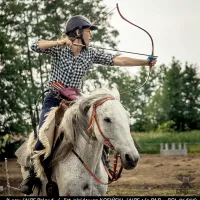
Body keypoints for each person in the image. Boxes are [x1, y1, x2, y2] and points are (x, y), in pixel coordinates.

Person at [20, 15, 157, 194]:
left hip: (76, 103)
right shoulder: (59, 50)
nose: (91, 35)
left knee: (96, 130)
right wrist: (59, 42)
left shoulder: (90, 53)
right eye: (88, 31)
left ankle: (103, 164)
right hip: (54, 100)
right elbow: (34, 46)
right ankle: (33, 175)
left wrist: (145, 62)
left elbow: (118, 60)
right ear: (78, 32)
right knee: (43, 136)